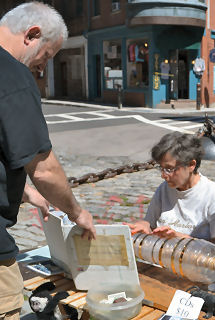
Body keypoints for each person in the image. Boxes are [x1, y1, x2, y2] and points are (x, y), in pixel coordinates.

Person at [0, 3, 96, 319]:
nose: (40, 69)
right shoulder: (10, 74)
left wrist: (25, 192)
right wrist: (77, 212)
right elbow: (43, 167)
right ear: (32, 35)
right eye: (46, 57)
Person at [126, 132, 215, 260]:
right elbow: (149, 224)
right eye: (161, 168)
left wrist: (179, 239)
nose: (163, 175)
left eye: (169, 169)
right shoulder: (164, 189)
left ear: (191, 165)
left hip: (198, 270)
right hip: (164, 264)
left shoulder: (214, 195)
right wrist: (142, 226)